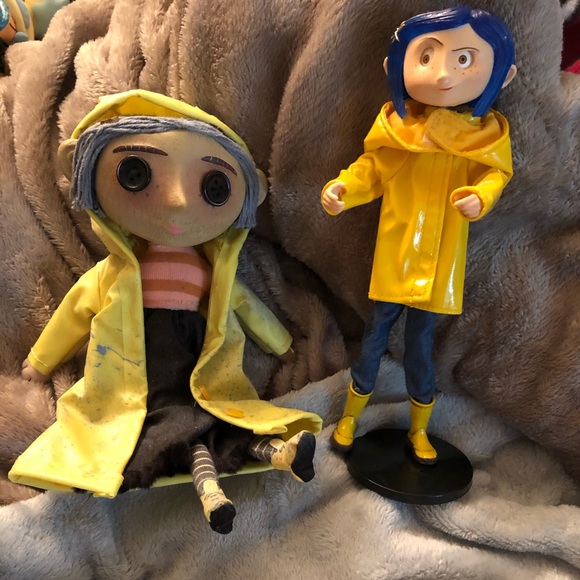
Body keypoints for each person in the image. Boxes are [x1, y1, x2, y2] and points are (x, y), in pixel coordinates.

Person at [10, 90, 322, 534]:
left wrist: (282, 344)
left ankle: (275, 455)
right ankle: (215, 490)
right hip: (139, 359)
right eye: (136, 174)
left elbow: (245, 306)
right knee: (169, 419)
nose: (176, 201)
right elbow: (75, 312)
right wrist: (41, 361)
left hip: (198, 356)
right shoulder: (113, 274)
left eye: (214, 188)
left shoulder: (213, 274)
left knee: (214, 413)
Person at [322, 6, 517, 464]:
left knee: (421, 351)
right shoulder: (399, 129)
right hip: (396, 253)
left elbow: (494, 175)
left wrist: (481, 196)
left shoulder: (482, 137)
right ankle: (350, 417)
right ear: (394, 66)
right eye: (427, 57)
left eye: (464, 59)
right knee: (373, 341)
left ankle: (419, 429)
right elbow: (373, 169)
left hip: (439, 263)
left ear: (503, 76)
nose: (444, 74)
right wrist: (344, 189)